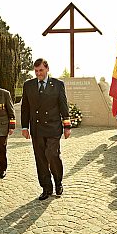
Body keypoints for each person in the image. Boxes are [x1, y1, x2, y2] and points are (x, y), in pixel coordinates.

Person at [21, 58, 71, 200]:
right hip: (37, 128)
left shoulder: (57, 84)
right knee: (41, 159)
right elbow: (25, 108)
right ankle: (46, 188)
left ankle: (58, 182)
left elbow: (63, 105)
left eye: (41, 70)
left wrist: (67, 126)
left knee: (52, 154)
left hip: (53, 127)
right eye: (36, 71)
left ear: (47, 69)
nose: (38, 73)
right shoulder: (28, 85)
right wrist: (25, 127)